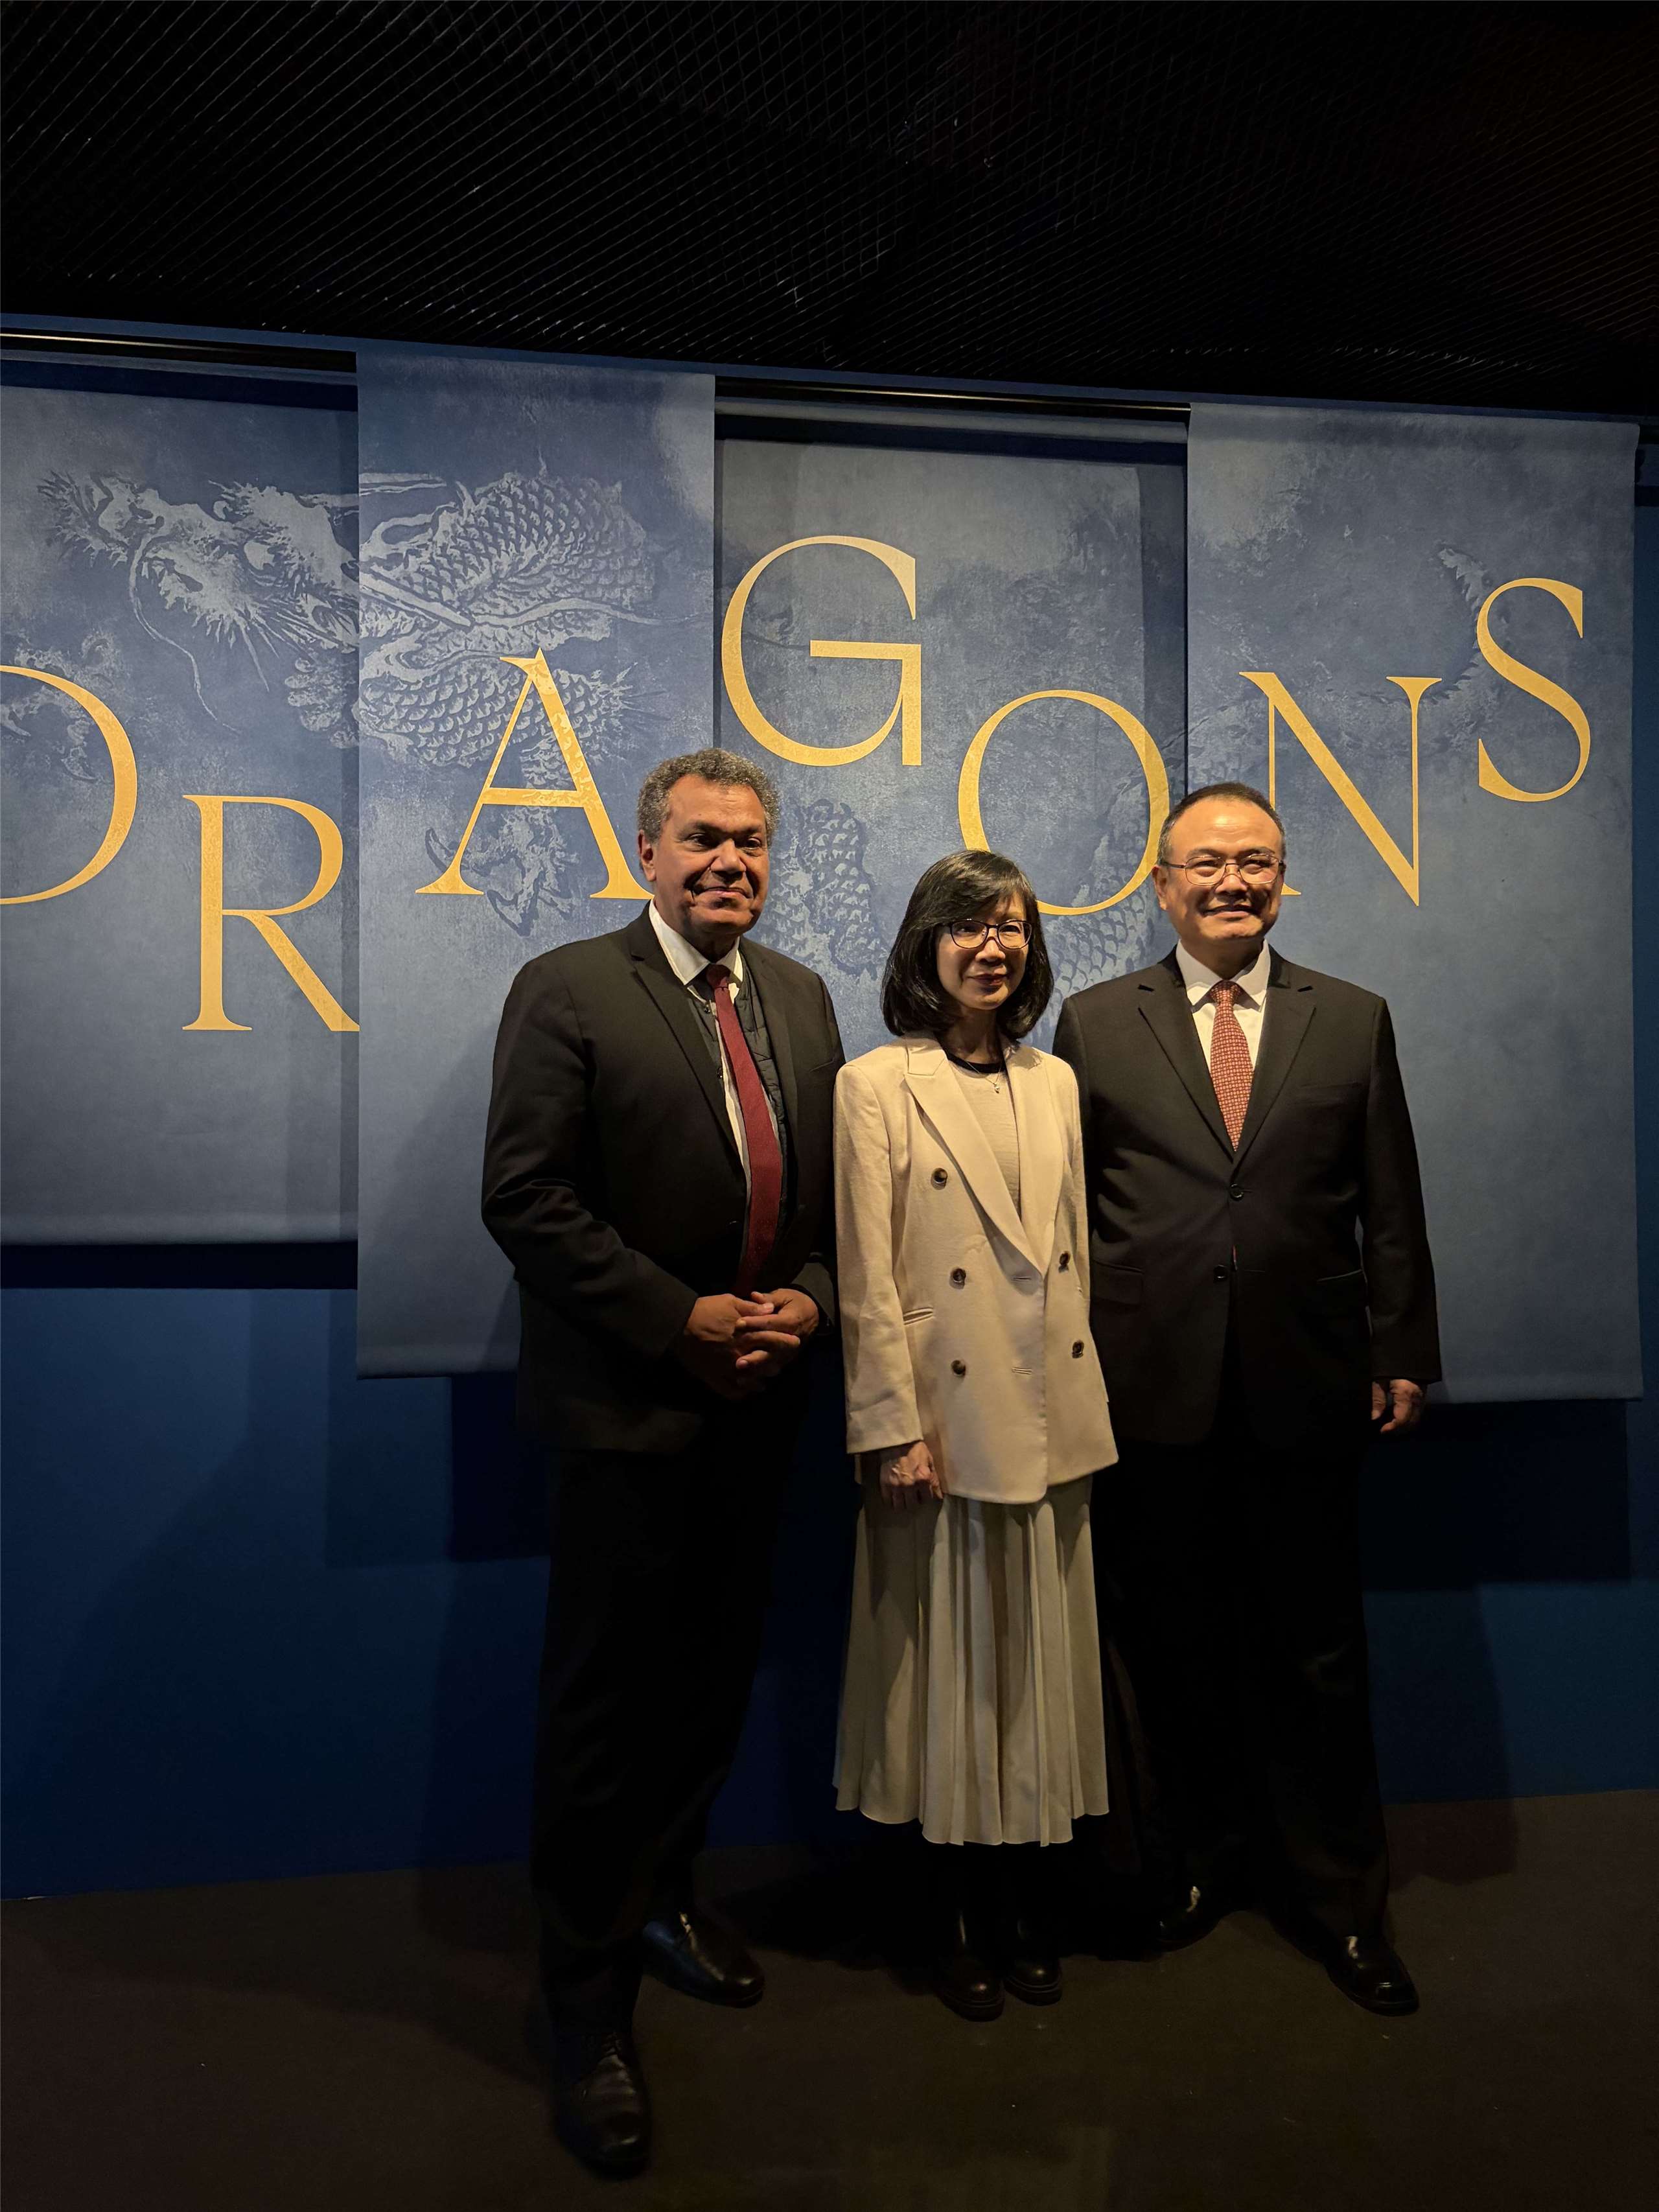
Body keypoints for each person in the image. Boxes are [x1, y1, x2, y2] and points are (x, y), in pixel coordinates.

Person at [481, 748, 842, 2176]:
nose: (728, 864)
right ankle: (582, 2010)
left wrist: (808, 1297)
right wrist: (674, 1319)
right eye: (700, 840)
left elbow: (830, 1196)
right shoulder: (569, 989)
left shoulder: (802, 999)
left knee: (709, 1677)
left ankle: (664, 1892)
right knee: (601, 1711)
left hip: (760, 1405)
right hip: (627, 1410)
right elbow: (524, 1196)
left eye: (749, 842)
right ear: (646, 852)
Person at [1052, 780, 1439, 2016]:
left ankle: (1342, 1901)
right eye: (1207, 864)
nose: (1233, 881)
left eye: (1256, 862)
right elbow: (1062, 1216)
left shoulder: (1354, 1017)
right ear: (1161, 884)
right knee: (1170, 1649)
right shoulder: (1095, 1021)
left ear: (1285, 879)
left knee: (1317, 1653)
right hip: (1143, 1391)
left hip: (1308, 1385)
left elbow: (1391, 1196)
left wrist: (1402, 1346)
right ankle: (1190, 1868)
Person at [833, 850, 1118, 2020]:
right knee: (948, 1677)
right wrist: (890, 1428)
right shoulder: (875, 1083)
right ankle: (951, 1912)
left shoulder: (1055, 1081)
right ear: (925, 945)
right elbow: (862, 1272)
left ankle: (1028, 1901)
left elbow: (1075, 1265)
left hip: (1050, 1420)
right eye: (967, 927)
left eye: (1010, 928)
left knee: (1034, 1673)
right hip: (939, 1432)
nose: (991, 947)